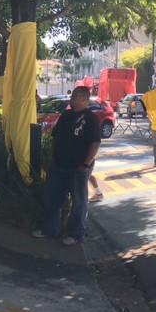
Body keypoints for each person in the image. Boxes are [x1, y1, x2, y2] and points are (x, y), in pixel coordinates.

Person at [32, 86, 101, 246]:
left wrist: (86, 164)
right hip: (58, 165)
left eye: (75, 96)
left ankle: (76, 234)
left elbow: (95, 143)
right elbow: (56, 135)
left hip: (78, 168)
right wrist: (53, 156)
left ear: (84, 98)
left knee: (79, 202)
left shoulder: (90, 118)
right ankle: (50, 230)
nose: (72, 98)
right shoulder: (67, 114)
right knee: (53, 199)